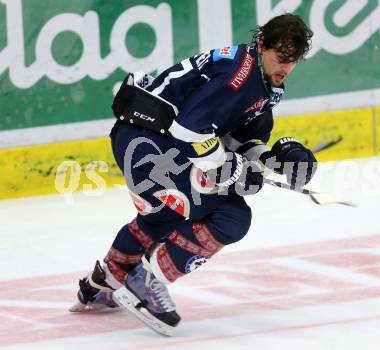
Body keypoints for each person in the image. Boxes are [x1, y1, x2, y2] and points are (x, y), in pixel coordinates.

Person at [70, 13, 317, 335]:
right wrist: (227, 168)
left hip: (153, 141)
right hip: (147, 144)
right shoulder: (240, 77)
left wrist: (272, 160)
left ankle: (108, 281)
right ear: (261, 45)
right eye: (280, 57)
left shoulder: (262, 78)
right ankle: (145, 281)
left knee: (170, 214)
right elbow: (189, 129)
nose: (286, 67)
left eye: (293, 60)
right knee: (229, 215)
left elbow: (238, 138)